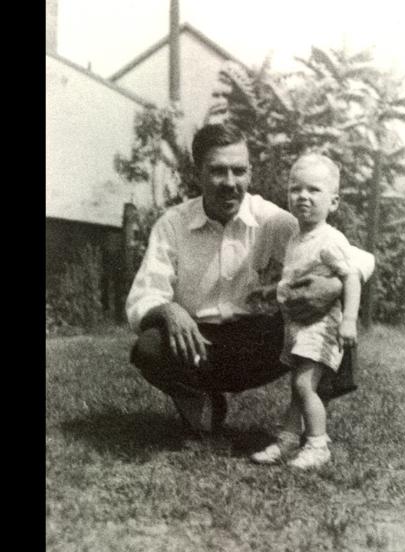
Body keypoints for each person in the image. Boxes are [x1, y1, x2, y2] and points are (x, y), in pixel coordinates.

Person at [125, 122, 374, 439]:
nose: (230, 183)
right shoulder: (172, 225)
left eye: (239, 171)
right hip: (197, 345)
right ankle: (197, 396)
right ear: (198, 172)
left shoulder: (269, 218)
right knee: (148, 347)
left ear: (249, 173)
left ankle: (308, 422)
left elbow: (360, 259)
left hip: (255, 344)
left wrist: (335, 286)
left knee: (331, 310)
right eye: (218, 171)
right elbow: (143, 298)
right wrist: (170, 311)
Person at [249, 154, 359, 468]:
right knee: (299, 387)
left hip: (322, 325)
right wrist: (271, 290)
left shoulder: (330, 239)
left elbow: (350, 276)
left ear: (334, 202)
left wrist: (349, 319)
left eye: (314, 190)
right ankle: (286, 440)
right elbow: (296, 279)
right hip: (297, 326)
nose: (303, 196)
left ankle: (317, 445)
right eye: (296, 189)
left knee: (303, 385)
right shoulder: (296, 239)